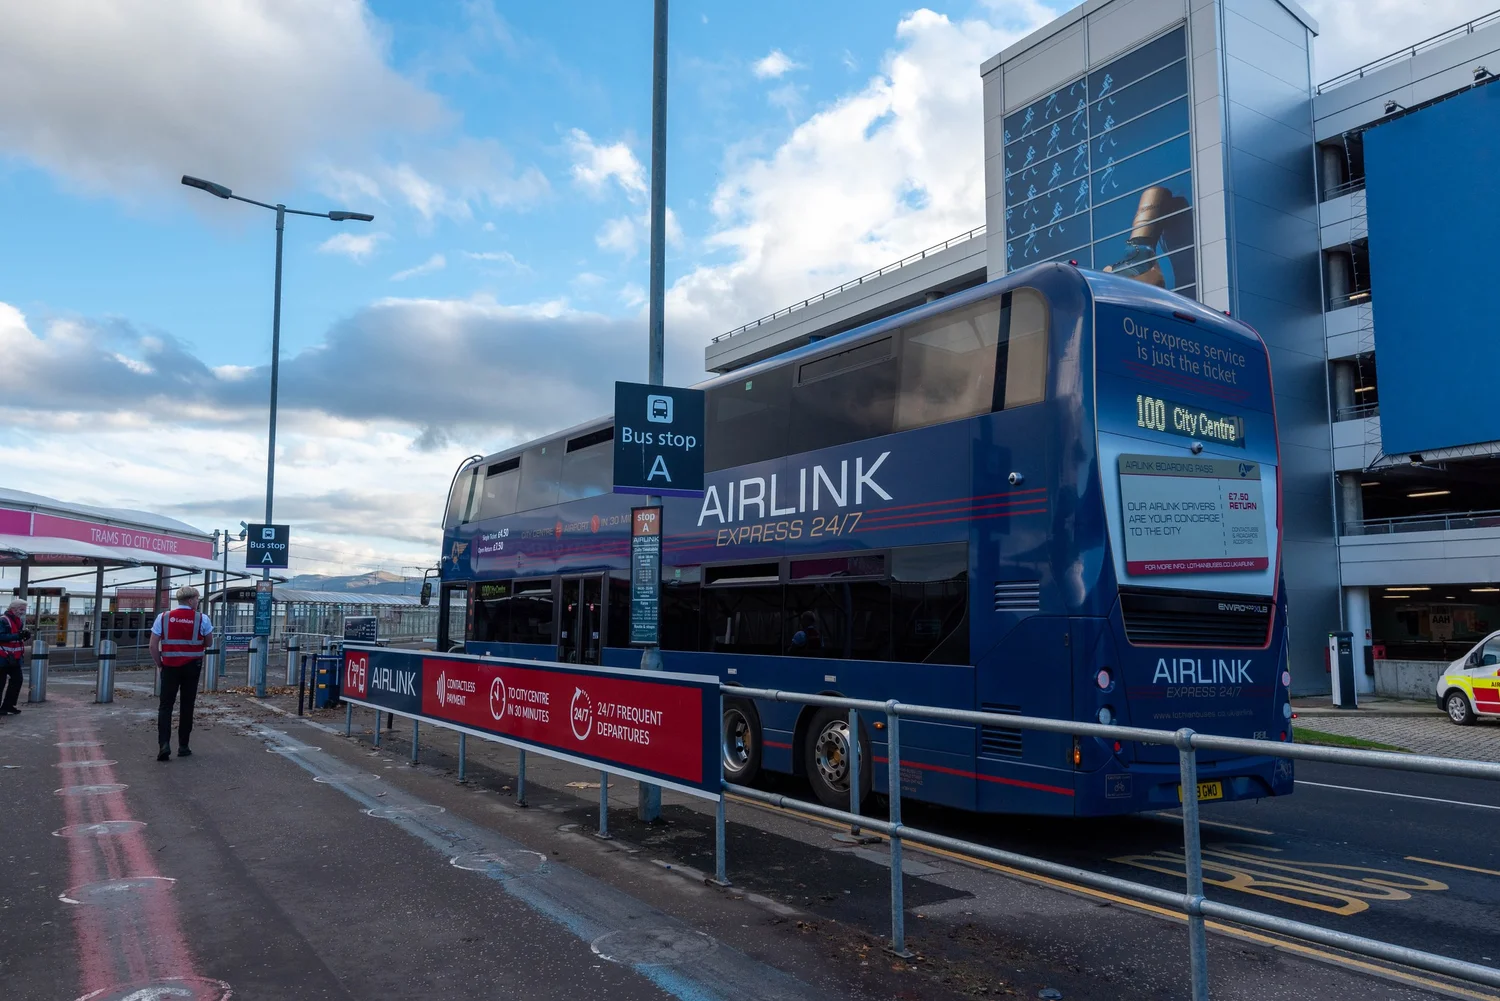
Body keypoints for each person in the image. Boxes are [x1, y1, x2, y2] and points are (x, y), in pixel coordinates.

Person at [150, 585, 213, 761]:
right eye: (197, 599)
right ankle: (183, 746)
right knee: (187, 705)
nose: (198, 602)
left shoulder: (163, 617)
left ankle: (164, 745)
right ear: (191, 600)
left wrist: (159, 664)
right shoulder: (202, 619)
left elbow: (153, 645)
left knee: (165, 706)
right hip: (192, 667)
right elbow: (209, 642)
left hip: (169, 667)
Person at [0, 599, 31, 715]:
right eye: (21, 609)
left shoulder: (17, 621)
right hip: (3, 657)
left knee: (17, 680)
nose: (23, 612)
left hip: (13, 657)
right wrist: (18, 636)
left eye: (24, 609)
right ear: (13, 608)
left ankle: (8, 705)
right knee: (1, 682)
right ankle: (6, 706)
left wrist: (23, 636)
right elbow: (1, 636)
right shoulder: (3, 620)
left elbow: (16, 638)